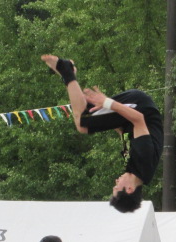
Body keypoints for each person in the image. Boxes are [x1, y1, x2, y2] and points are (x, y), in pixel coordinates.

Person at [41, 54, 163, 213]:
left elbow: (124, 133)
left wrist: (101, 120)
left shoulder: (134, 169)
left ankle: (67, 72)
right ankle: (66, 70)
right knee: (82, 124)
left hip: (128, 117)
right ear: (129, 189)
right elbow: (139, 120)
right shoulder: (144, 162)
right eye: (116, 186)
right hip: (140, 106)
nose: (116, 181)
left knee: (86, 115)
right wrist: (107, 103)